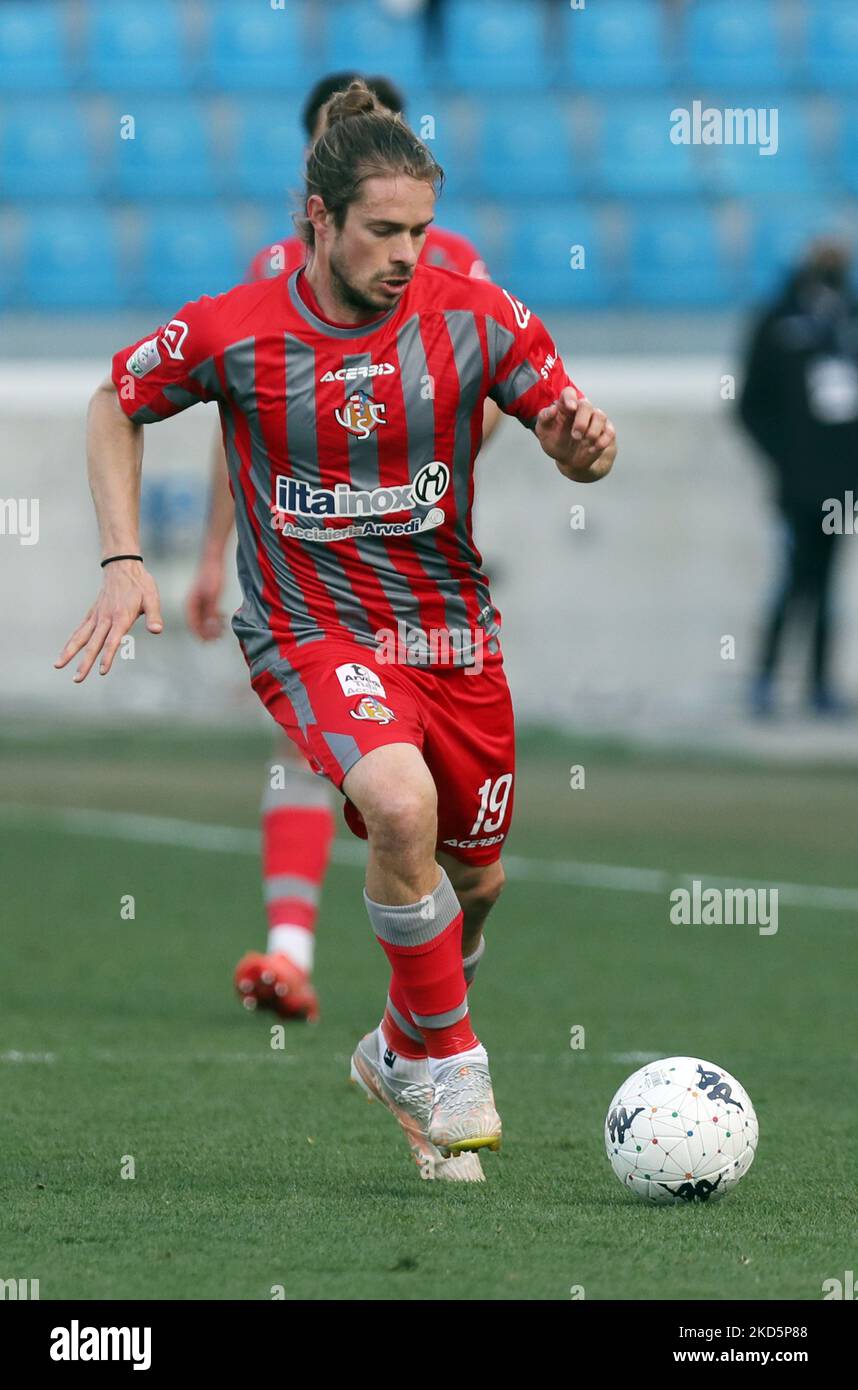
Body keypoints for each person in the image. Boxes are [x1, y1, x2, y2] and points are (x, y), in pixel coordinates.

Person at [56, 82, 616, 1182]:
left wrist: (581, 444)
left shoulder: (476, 314)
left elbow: (569, 435)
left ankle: (397, 1045)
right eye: (382, 231)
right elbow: (114, 400)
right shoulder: (236, 327)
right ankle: (449, 1059)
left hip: (451, 634)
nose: (408, 253)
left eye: (419, 229)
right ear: (316, 219)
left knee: (476, 881)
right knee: (397, 805)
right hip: (311, 625)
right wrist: (128, 558)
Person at [184, 71, 502, 1025]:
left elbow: (486, 395)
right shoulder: (274, 272)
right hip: (311, 588)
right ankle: (293, 953)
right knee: (330, 758)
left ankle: (425, 1005)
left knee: (469, 869)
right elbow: (233, 412)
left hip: (423, 581)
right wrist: (213, 554)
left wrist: (395, 478)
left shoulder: (453, 269)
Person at [739, 238, 858, 717]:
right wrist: (784, 457)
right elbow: (750, 405)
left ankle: (819, 686)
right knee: (791, 580)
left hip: (844, 485)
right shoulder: (778, 322)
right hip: (796, 486)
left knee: (828, 584)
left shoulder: (849, 319)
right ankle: (766, 680)